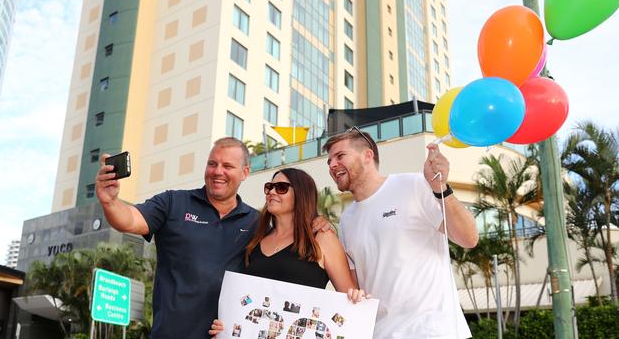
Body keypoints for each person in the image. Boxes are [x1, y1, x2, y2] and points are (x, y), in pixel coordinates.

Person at [96, 138, 332, 338]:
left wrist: (316, 223)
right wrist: (110, 202)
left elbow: (282, 260)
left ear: (245, 173)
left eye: (228, 165)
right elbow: (129, 220)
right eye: (212, 164)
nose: (218, 171)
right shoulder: (173, 203)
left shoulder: (257, 223)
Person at [323, 127, 479, 339]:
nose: (332, 165)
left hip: (434, 331)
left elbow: (469, 238)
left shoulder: (413, 185)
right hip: (380, 333)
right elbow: (356, 287)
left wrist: (442, 188)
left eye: (340, 156)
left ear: (368, 155)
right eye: (329, 161)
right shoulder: (347, 220)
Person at [208, 168, 366, 337]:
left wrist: (357, 296)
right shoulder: (255, 242)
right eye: (269, 187)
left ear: (300, 194)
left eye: (281, 187)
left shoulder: (322, 238)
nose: (272, 192)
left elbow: (349, 296)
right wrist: (227, 324)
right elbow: (246, 303)